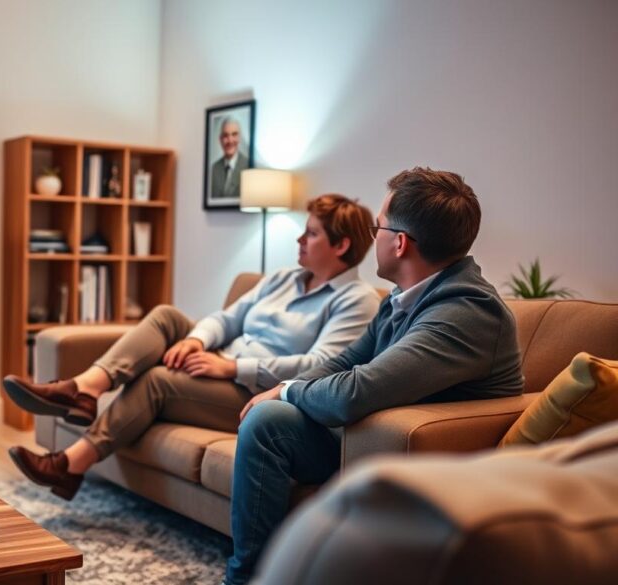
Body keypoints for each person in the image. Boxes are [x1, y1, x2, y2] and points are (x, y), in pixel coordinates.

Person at [222, 168, 525, 584]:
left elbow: (354, 393)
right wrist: (279, 389)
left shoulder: (467, 312)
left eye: (377, 227)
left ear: (399, 243)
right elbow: (345, 361)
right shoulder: (405, 297)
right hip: (368, 438)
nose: (373, 237)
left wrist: (288, 390)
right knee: (268, 419)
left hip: (423, 455)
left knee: (268, 418)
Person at [3, 194, 381, 500]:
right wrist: (196, 340)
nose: (300, 240)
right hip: (220, 360)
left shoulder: (357, 299)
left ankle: (70, 465)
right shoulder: (282, 278)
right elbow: (227, 318)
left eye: (311, 234)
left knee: (157, 380)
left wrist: (231, 368)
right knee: (167, 316)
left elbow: (320, 366)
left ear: (341, 244)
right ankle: (86, 388)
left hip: (256, 393)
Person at [210, 117, 249, 201]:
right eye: (225, 136)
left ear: (239, 138)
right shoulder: (214, 169)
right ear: (220, 139)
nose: (230, 141)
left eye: (234, 134)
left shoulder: (249, 166)